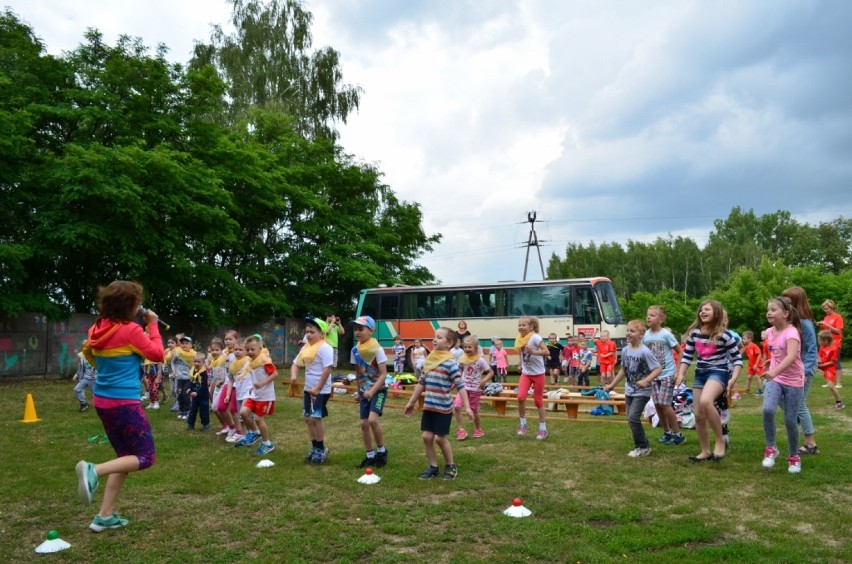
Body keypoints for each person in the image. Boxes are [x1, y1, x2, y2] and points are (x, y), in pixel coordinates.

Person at [75, 280, 164, 532]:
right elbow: (157, 354)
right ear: (131, 305)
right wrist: (153, 325)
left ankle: (104, 516)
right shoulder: (130, 331)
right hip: (124, 402)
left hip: (103, 401)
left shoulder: (97, 328)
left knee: (125, 457)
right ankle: (94, 470)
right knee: (146, 457)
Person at [675, 299, 742, 462]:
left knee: (706, 401)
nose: (702, 312)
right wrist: (681, 373)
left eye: (707, 310)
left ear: (717, 313)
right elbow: (688, 356)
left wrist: (733, 379)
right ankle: (704, 451)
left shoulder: (725, 335)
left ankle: (720, 440)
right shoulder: (694, 333)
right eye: (701, 310)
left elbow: (737, 359)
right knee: (698, 415)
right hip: (701, 373)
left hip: (718, 372)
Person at [404, 327, 473, 480]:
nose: (435, 339)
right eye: (435, 337)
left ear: (449, 343)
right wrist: (411, 402)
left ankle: (451, 466)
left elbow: (460, 386)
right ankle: (433, 467)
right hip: (429, 407)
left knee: (440, 438)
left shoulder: (450, 364)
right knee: (427, 437)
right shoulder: (429, 361)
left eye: (439, 337)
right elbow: (421, 383)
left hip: (443, 408)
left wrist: (467, 407)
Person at [761, 297, 805, 474]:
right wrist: (770, 363)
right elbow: (778, 353)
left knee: (789, 419)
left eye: (773, 310)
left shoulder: (792, 332)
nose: (769, 312)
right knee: (767, 410)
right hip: (776, 379)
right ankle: (771, 447)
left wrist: (774, 371)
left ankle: (794, 457)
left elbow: (792, 356)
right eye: (768, 309)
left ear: (785, 314)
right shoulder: (770, 332)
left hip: (794, 381)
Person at [605, 320, 661, 457]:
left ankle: (642, 447)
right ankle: (643, 445)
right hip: (629, 390)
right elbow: (623, 370)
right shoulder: (625, 350)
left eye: (632, 331)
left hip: (642, 392)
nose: (628, 333)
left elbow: (658, 368)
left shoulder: (645, 352)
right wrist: (612, 385)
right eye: (628, 330)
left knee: (633, 417)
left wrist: (646, 380)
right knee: (631, 419)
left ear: (641, 334)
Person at [781, 287, 819, 455]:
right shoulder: (791, 323)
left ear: (795, 302)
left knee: (800, 404)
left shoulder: (805, 322)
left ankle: (811, 444)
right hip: (792, 368)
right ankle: (794, 416)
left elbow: (812, 349)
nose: (783, 303)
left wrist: (806, 370)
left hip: (804, 370)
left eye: (787, 300)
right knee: (771, 388)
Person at [291, 317, 334, 463]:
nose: (308, 334)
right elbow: (295, 364)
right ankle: (314, 447)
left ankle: (321, 449)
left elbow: (328, 369)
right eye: (307, 331)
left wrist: (318, 387)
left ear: (321, 334)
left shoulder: (325, 348)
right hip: (308, 389)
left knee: (316, 418)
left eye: (312, 332)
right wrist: (293, 375)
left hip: (321, 390)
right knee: (308, 418)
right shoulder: (306, 348)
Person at [350, 315, 390, 468]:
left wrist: (372, 391)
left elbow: (383, 374)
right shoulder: (355, 350)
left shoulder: (377, 349)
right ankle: (369, 455)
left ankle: (381, 451)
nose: (357, 332)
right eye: (356, 329)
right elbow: (358, 372)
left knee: (372, 420)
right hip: (364, 392)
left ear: (371, 330)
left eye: (361, 329)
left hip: (378, 390)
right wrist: (358, 392)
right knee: (364, 423)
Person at [643, 306, 685, 446]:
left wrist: (678, 372)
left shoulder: (666, 334)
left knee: (665, 404)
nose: (649, 317)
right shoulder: (646, 335)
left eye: (653, 315)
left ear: (661, 319)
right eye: (648, 315)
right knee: (657, 404)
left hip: (667, 374)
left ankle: (678, 434)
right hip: (653, 375)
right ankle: (667, 432)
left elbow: (680, 352)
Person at [236, 335, 278, 455]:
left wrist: (262, 383)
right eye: (247, 349)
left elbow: (275, 374)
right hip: (254, 394)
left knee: (259, 419)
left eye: (252, 349)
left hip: (265, 396)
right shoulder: (252, 361)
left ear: (260, 348)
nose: (249, 352)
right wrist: (252, 387)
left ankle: (267, 444)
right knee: (243, 412)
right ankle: (255, 433)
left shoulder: (264, 361)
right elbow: (255, 376)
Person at [515, 316, 550, 440]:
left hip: (538, 374)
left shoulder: (535, 337)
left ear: (531, 327)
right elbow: (522, 353)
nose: (521, 327)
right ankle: (523, 424)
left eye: (523, 325)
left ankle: (543, 428)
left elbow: (546, 352)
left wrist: (533, 352)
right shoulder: (519, 339)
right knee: (520, 397)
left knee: (538, 400)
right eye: (519, 325)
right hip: (526, 373)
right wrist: (521, 363)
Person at [454, 335, 494, 440]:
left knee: (474, 410)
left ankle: (478, 429)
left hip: (475, 389)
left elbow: (490, 372)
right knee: (457, 407)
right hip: (463, 387)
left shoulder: (480, 360)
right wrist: (457, 381)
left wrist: (483, 381)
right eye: (465, 347)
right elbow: (461, 371)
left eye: (469, 347)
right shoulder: (462, 359)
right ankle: (460, 430)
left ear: (475, 348)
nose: (467, 349)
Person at [224, 340, 249, 444]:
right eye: (235, 349)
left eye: (240, 349)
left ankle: (253, 433)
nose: (237, 352)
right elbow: (230, 380)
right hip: (239, 393)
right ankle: (244, 435)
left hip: (248, 392)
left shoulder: (249, 362)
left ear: (246, 351)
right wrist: (228, 394)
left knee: (244, 414)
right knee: (240, 416)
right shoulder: (232, 364)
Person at [818, 299, 844, 388]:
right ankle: (829, 382)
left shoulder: (838, 317)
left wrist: (827, 324)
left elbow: (838, 331)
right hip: (826, 344)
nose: (825, 311)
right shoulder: (826, 318)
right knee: (826, 362)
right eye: (824, 309)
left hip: (835, 343)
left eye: (827, 309)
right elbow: (825, 332)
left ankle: (839, 383)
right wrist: (821, 325)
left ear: (832, 307)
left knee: (836, 363)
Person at [818, 330, 844, 409]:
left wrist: (822, 365)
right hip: (825, 368)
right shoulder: (822, 348)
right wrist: (818, 363)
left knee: (831, 386)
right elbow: (819, 357)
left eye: (820, 340)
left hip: (830, 369)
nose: (819, 342)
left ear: (826, 340)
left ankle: (839, 403)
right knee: (830, 386)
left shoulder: (834, 348)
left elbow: (833, 362)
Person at [186, 352, 210, 431]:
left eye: (198, 362)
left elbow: (204, 386)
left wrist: (197, 393)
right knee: (192, 410)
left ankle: (206, 424)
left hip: (203, 396)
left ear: (203, 363)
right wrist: (190, 388)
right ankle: (190, 424)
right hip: (195, 396)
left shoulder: (204, 373)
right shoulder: (193, 371)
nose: (196, 363)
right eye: (195, 361)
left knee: (204, 411)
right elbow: (191, 381)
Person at [172, 336, 195, 420]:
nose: (184, 345)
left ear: (191, 345)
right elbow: (173, 362)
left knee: (186, 395)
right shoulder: (178, 354)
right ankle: (181, 411)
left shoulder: (193, 355)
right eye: (182, 343)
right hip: (180, 379)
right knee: (180, 394)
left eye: (186, 343)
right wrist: (174, 371)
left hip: (188, 379)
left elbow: (197, 365)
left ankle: (187, 411)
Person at [73, 347, 97, 412]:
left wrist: (96, 376)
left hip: (93, 380)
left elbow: (100, 368)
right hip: (85, 378)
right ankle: (84, 404)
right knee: (77, 389)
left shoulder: (96, 358)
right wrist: (77, 374)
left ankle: (102, 406)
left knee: (96, 394)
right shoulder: (82, 359)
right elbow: (81, 368)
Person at [742, 331, 764, 395]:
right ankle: (746, 390)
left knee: (757, 377)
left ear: (749, 339)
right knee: (749, 377)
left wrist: (756, 365)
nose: (743, 340)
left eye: (744, 339)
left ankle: (760, 391)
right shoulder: (746, 347)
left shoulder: (754, 346)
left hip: (757, 365)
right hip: (751, 365)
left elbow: (759, 354)